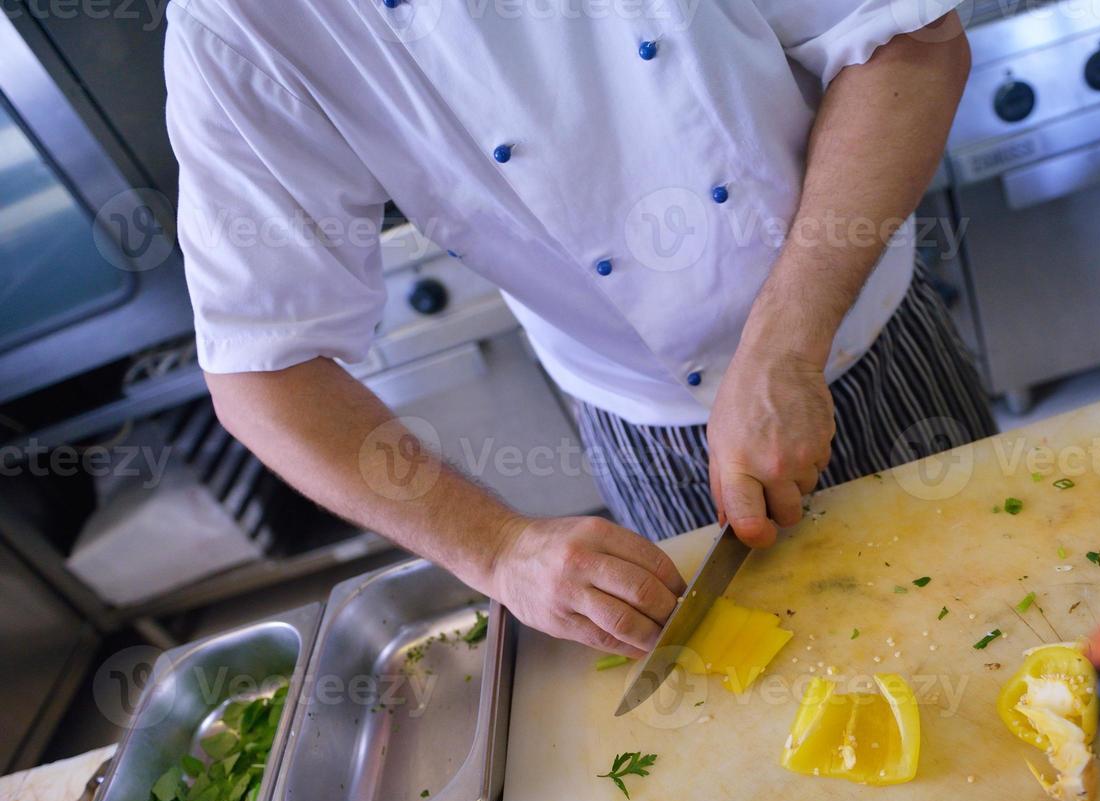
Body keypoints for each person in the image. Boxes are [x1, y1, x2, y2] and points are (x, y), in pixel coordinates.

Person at [165, 0, 992, 657]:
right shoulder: (236, 24)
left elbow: (908, 42)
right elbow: (260, 369)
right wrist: (496, 553)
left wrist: (782, 347)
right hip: (646, 425)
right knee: (774, 697)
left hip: (867, 330)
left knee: (1001, 610)